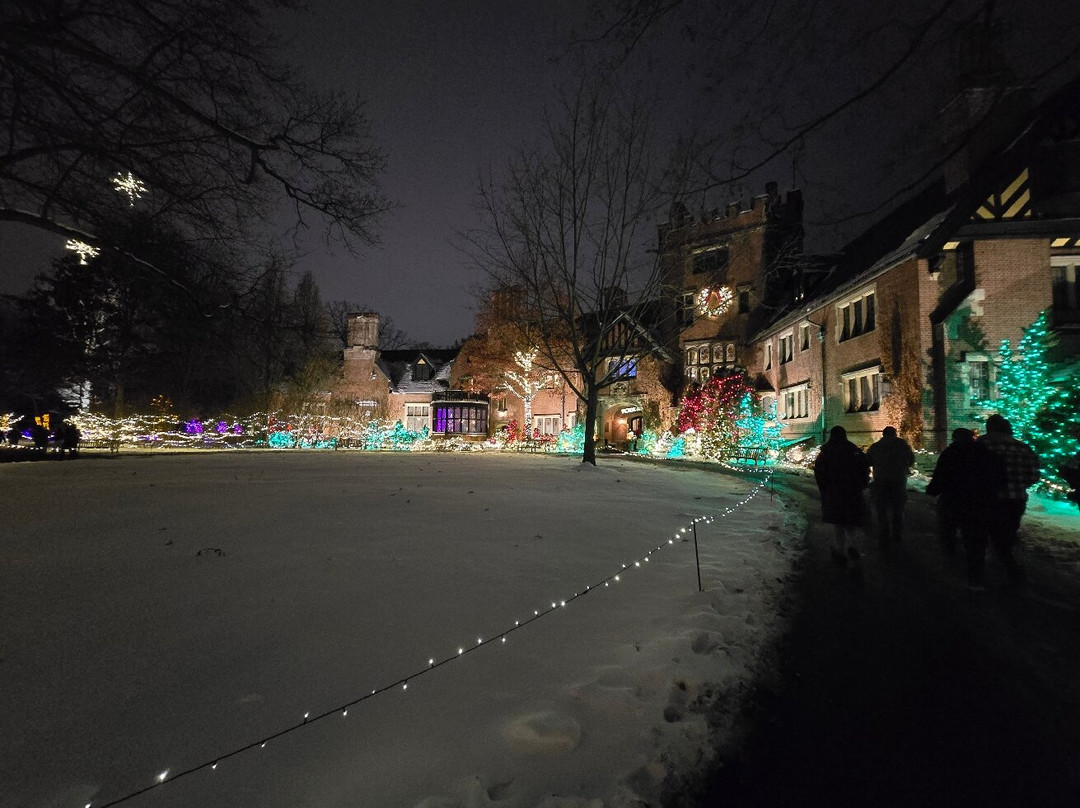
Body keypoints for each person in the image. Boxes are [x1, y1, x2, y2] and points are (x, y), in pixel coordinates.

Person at [926, 428, 1006, 586]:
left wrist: (933, 490)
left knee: (948, 531)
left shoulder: (950, 454)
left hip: (953, 500)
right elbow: (1000, 477)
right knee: (976, 537)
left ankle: (951, 564)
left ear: (956, 438)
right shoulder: (987, 454)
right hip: (979, 502)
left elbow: (941, 474)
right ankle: (976, 575)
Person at [978, 414, 1039, 585]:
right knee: (1008, 533)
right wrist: (1017, 484)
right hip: (1015, 499)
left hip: (988, 498)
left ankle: (1005, 570)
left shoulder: (981, 445)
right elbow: (1033, 476)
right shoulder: (1022, 448)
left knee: (990, 534)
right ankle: (1009, 565)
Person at [814, 425, 871, 565]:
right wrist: (862, 484)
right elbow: (864, 468)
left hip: (834, 492)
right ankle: (852, 545)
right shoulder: (854, 450)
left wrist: (824, 488)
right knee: (851, 522)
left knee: (838, 523)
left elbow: (819, 472)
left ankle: (840, 550)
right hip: (852, 491)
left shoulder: (826, 452)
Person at [866, 425, 916, 543]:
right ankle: (897, 534)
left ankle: (884, 533)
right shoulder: (903, 445)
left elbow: (868, 461)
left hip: (881, 481)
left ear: (883, 434)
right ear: (895, 433)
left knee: (882, 509)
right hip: (898, 481)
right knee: (898, 509)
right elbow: (911, 460)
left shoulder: (876, 446)